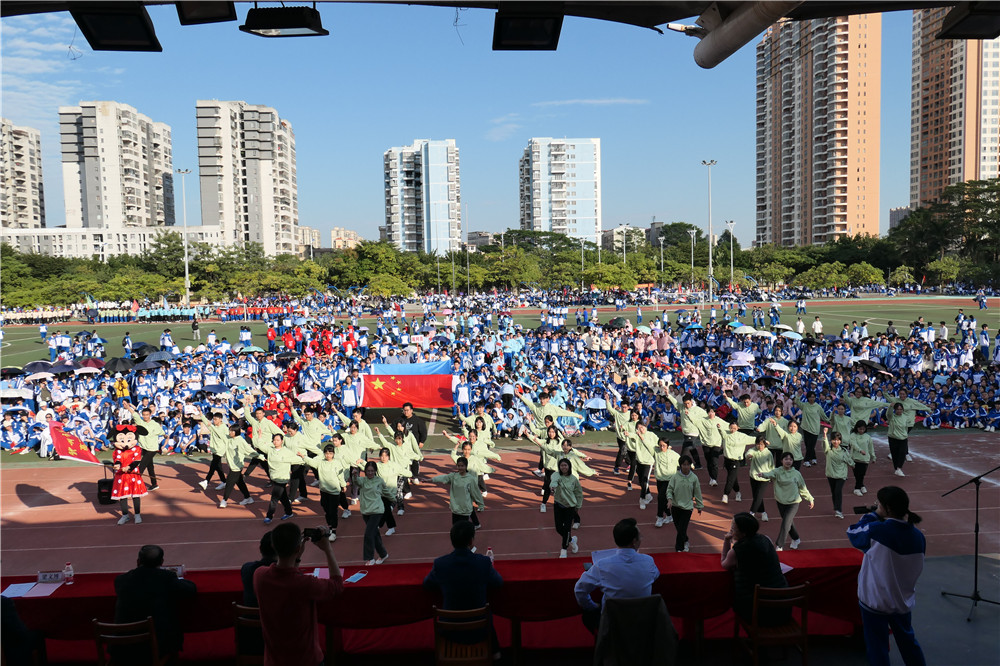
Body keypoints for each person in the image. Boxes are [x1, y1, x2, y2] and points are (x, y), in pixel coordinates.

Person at [847, 487, 927, 666]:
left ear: (887, 508)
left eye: (879, 504)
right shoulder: (918, 536)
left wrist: (873, 515)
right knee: (908, 643)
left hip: (876, 601)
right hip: (902, 601)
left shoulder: (877, 531)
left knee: (877, 648)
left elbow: (853, 533)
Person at [254, 522, 343, 666]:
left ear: (273, 546)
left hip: (274, 661)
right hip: (307, 660)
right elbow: (337, 585)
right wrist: (327, 549)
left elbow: (287, 577)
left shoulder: (259, 576)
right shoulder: (305, 584)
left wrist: (296, 558)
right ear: (297, 548)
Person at [423, 520, 503, 657]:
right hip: (480, 631)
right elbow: (498, 582)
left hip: (449, 631)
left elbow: (427, 584)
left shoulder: (440, 564)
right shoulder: (483, 562)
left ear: (452, 540)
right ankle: (495, 653)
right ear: (471, 541)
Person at [574, 517, 660, 634]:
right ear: (634, 541)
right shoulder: (648, 561)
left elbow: (579, 590)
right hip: (642, 623)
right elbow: (655, 575)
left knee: (588, 616)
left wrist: (592, 606)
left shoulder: (602, 565)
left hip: (612, 624)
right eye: (640, 536)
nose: (641, 538)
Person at [114, 544, 198, 662]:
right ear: (161, 562)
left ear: (138, 561)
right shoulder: (166, 578)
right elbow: (191, 589)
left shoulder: (120, 580)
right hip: (154, 647)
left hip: (122, 648)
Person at [721, 512, 789, 625]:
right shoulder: (766, 539)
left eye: (733, 527)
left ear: (743, 532)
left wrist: (726, 540)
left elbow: (724, 563)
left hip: (756, 613)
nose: (731, 529)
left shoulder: (736, 551)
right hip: (783, 609)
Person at [760, 452, 814, 550]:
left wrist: (810, 499)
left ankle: (779, 545)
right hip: (781, 502)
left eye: (790, 459)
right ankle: (796, 538)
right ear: (782, 461)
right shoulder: (777, 471)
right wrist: (763, 474)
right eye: (786, 459)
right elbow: (769, 474)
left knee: (785, 523)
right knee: (788, 522)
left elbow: (802, 487)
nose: (788, 461)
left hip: (793, 503)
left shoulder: (796, 474)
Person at [109, 423, 148, 525]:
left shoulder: (137, 449)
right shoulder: (117, 450)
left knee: (135, 495)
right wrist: (117, 465)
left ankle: (137, 514)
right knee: (123, 495)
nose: (125, 443)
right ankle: (125, 515)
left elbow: (137, 460)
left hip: (133, 474)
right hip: (121, 475)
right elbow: (117, 459)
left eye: (129, 440)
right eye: (122, 440)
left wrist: (129, 467)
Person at [666, 454, 703, 552]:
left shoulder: (694, 478)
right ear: (680, 465)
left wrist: (699, 506)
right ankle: (686, 540)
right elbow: (669, 489)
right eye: (684, 464)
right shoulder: (675, 477)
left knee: (682, 528)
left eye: (688, 464)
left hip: (687, 507)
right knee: (679, 528)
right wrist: (669, 499)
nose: (686, 467)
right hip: (675, 506)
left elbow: (697, 492)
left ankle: (679, 548)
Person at [355, 460, 389, 565]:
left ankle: (370, 558)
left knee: (369, 534)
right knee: (374, 534)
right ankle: (383, 554)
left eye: (372, 471)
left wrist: (393, 499)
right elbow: (356, 482)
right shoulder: (362, 481)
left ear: (375, 471)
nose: (370, 473)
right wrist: (355, 475)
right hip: (366, 511)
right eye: (368, 471)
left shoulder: (379, 480)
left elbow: (386, 491)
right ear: (365, 471)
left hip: (377, 510)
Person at [550, 457, 583, 558]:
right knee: (559, 528)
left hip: (570, 506)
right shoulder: (556, 475)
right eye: (561, 465)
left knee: (567, 528)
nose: (563, 467)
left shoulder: (574, 479)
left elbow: (578, 493)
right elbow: (554, 482)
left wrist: (578, 506)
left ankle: (564, 549)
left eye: (565, 465)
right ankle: (571, 540)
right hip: (558, 504)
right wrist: (553, 487)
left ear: (569, 466)